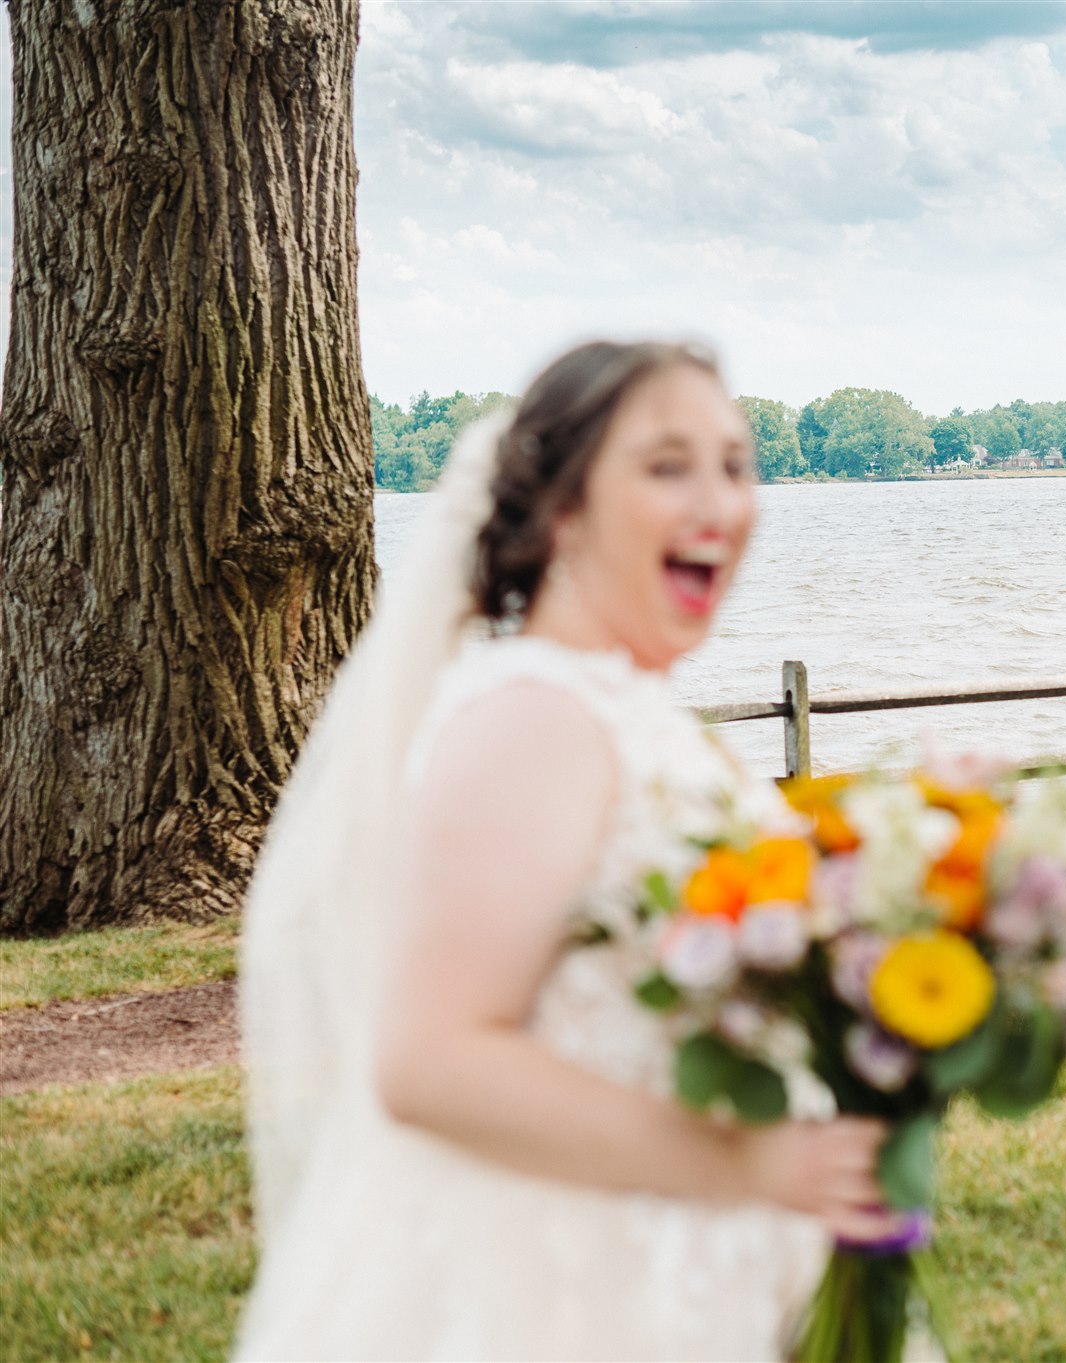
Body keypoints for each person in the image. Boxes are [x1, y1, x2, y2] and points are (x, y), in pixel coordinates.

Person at [236, 341, 896, 1359]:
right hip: (575, 1290)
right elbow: (427, 1062)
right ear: (563, 510)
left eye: (735, 462)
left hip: (693, 1260)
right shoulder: (529, 720)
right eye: (668, 465)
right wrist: (745, 1166)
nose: (720, 500)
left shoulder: (642, 717)